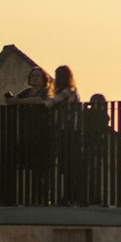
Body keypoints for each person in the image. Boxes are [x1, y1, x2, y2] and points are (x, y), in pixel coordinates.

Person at [4, 66, 53, 202]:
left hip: (43, 132)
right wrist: (11, 99)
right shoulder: (26, 93)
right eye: (32, 76)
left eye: (37, 76)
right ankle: (32, 197)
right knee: (30, 166)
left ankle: (45, 197)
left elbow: (40, 101)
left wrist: (18, 102)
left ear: (44, 79)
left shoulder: (46, 91)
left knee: (43, 168)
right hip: (28, 133)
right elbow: (11, 101)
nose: (34, 78)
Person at [50, 66, 82, 204]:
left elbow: (51, 103)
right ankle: (69, 195)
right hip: (67, 131)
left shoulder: (68, 92)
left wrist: (40, 101)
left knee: (67, 166)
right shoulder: (70, 92)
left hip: (68, 131)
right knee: (65, 166)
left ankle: (71, 195)